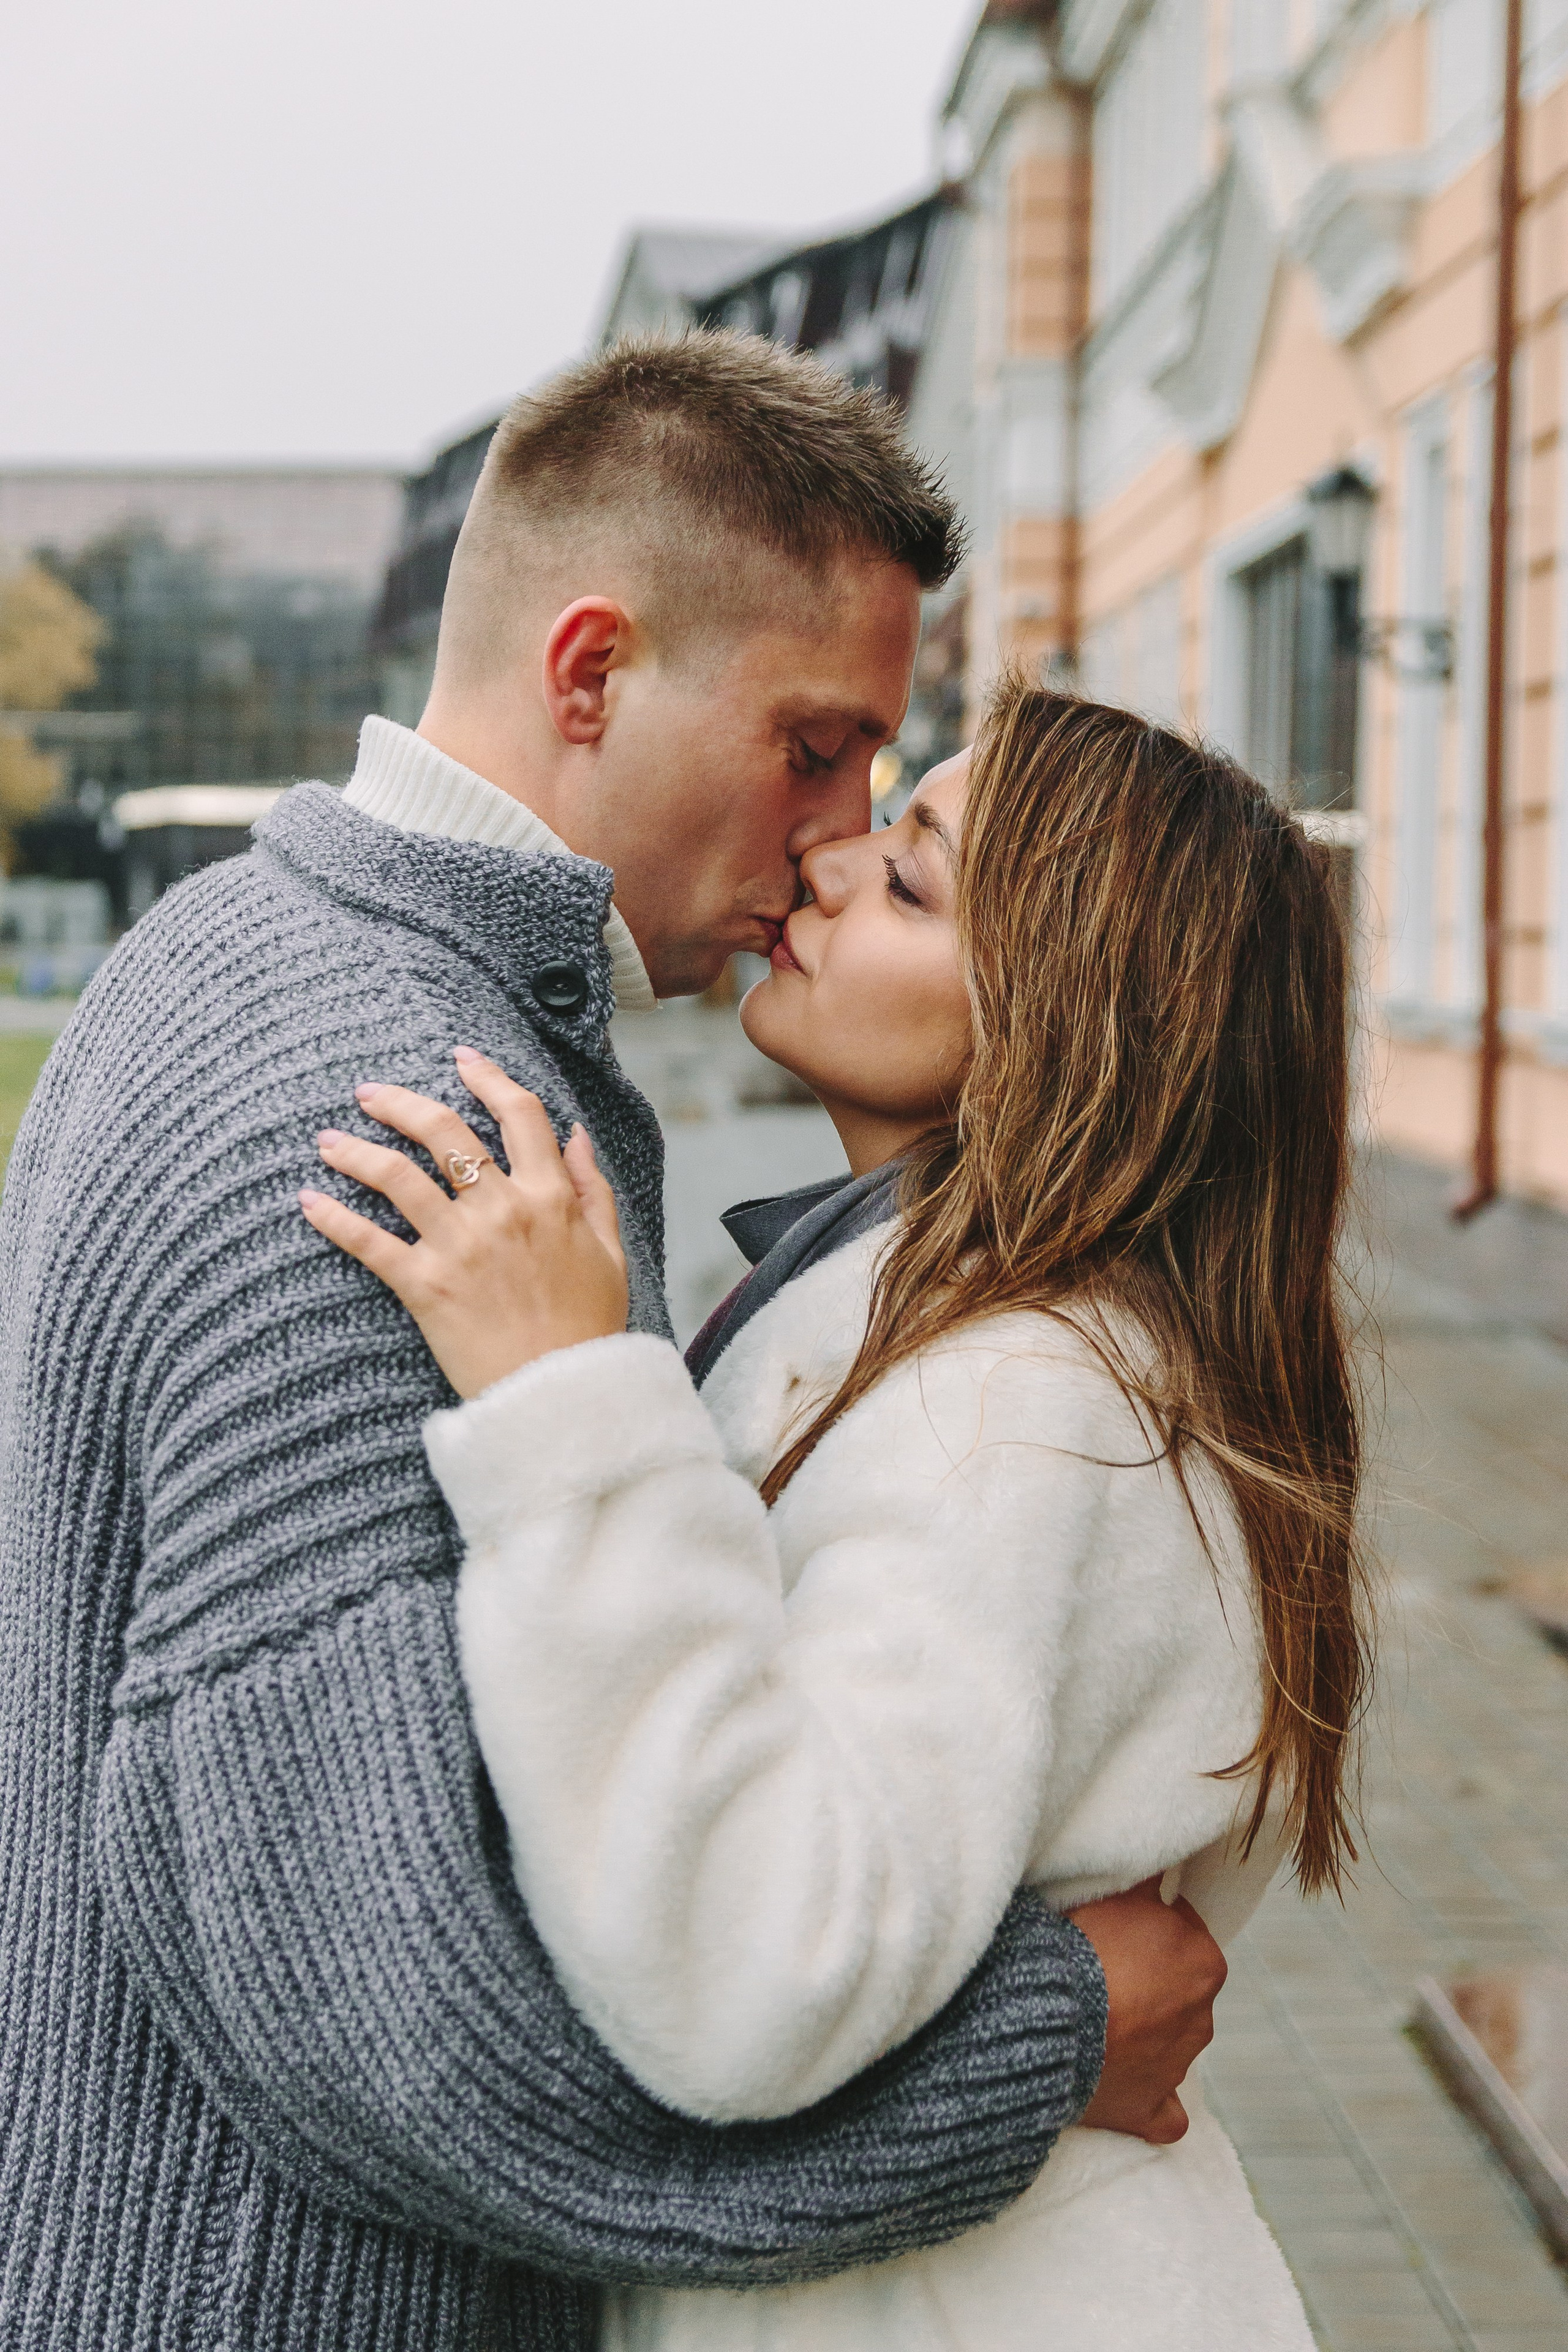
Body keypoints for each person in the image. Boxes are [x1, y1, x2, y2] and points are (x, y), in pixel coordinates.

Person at [0, 336, 1221, 2352]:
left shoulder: (237, 949)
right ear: (590, 675)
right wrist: (1039, 2052)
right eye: (816, 745)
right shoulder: (402, 1110)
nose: (836, 835)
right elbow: (399, 2037)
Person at [304, 677, 1373, 2351]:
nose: (827, 863)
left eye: (914, 877)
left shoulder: (1018, 1403)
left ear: (1071, 1024)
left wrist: (563, 1407)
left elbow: (751, 1969)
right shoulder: (999, 1339)